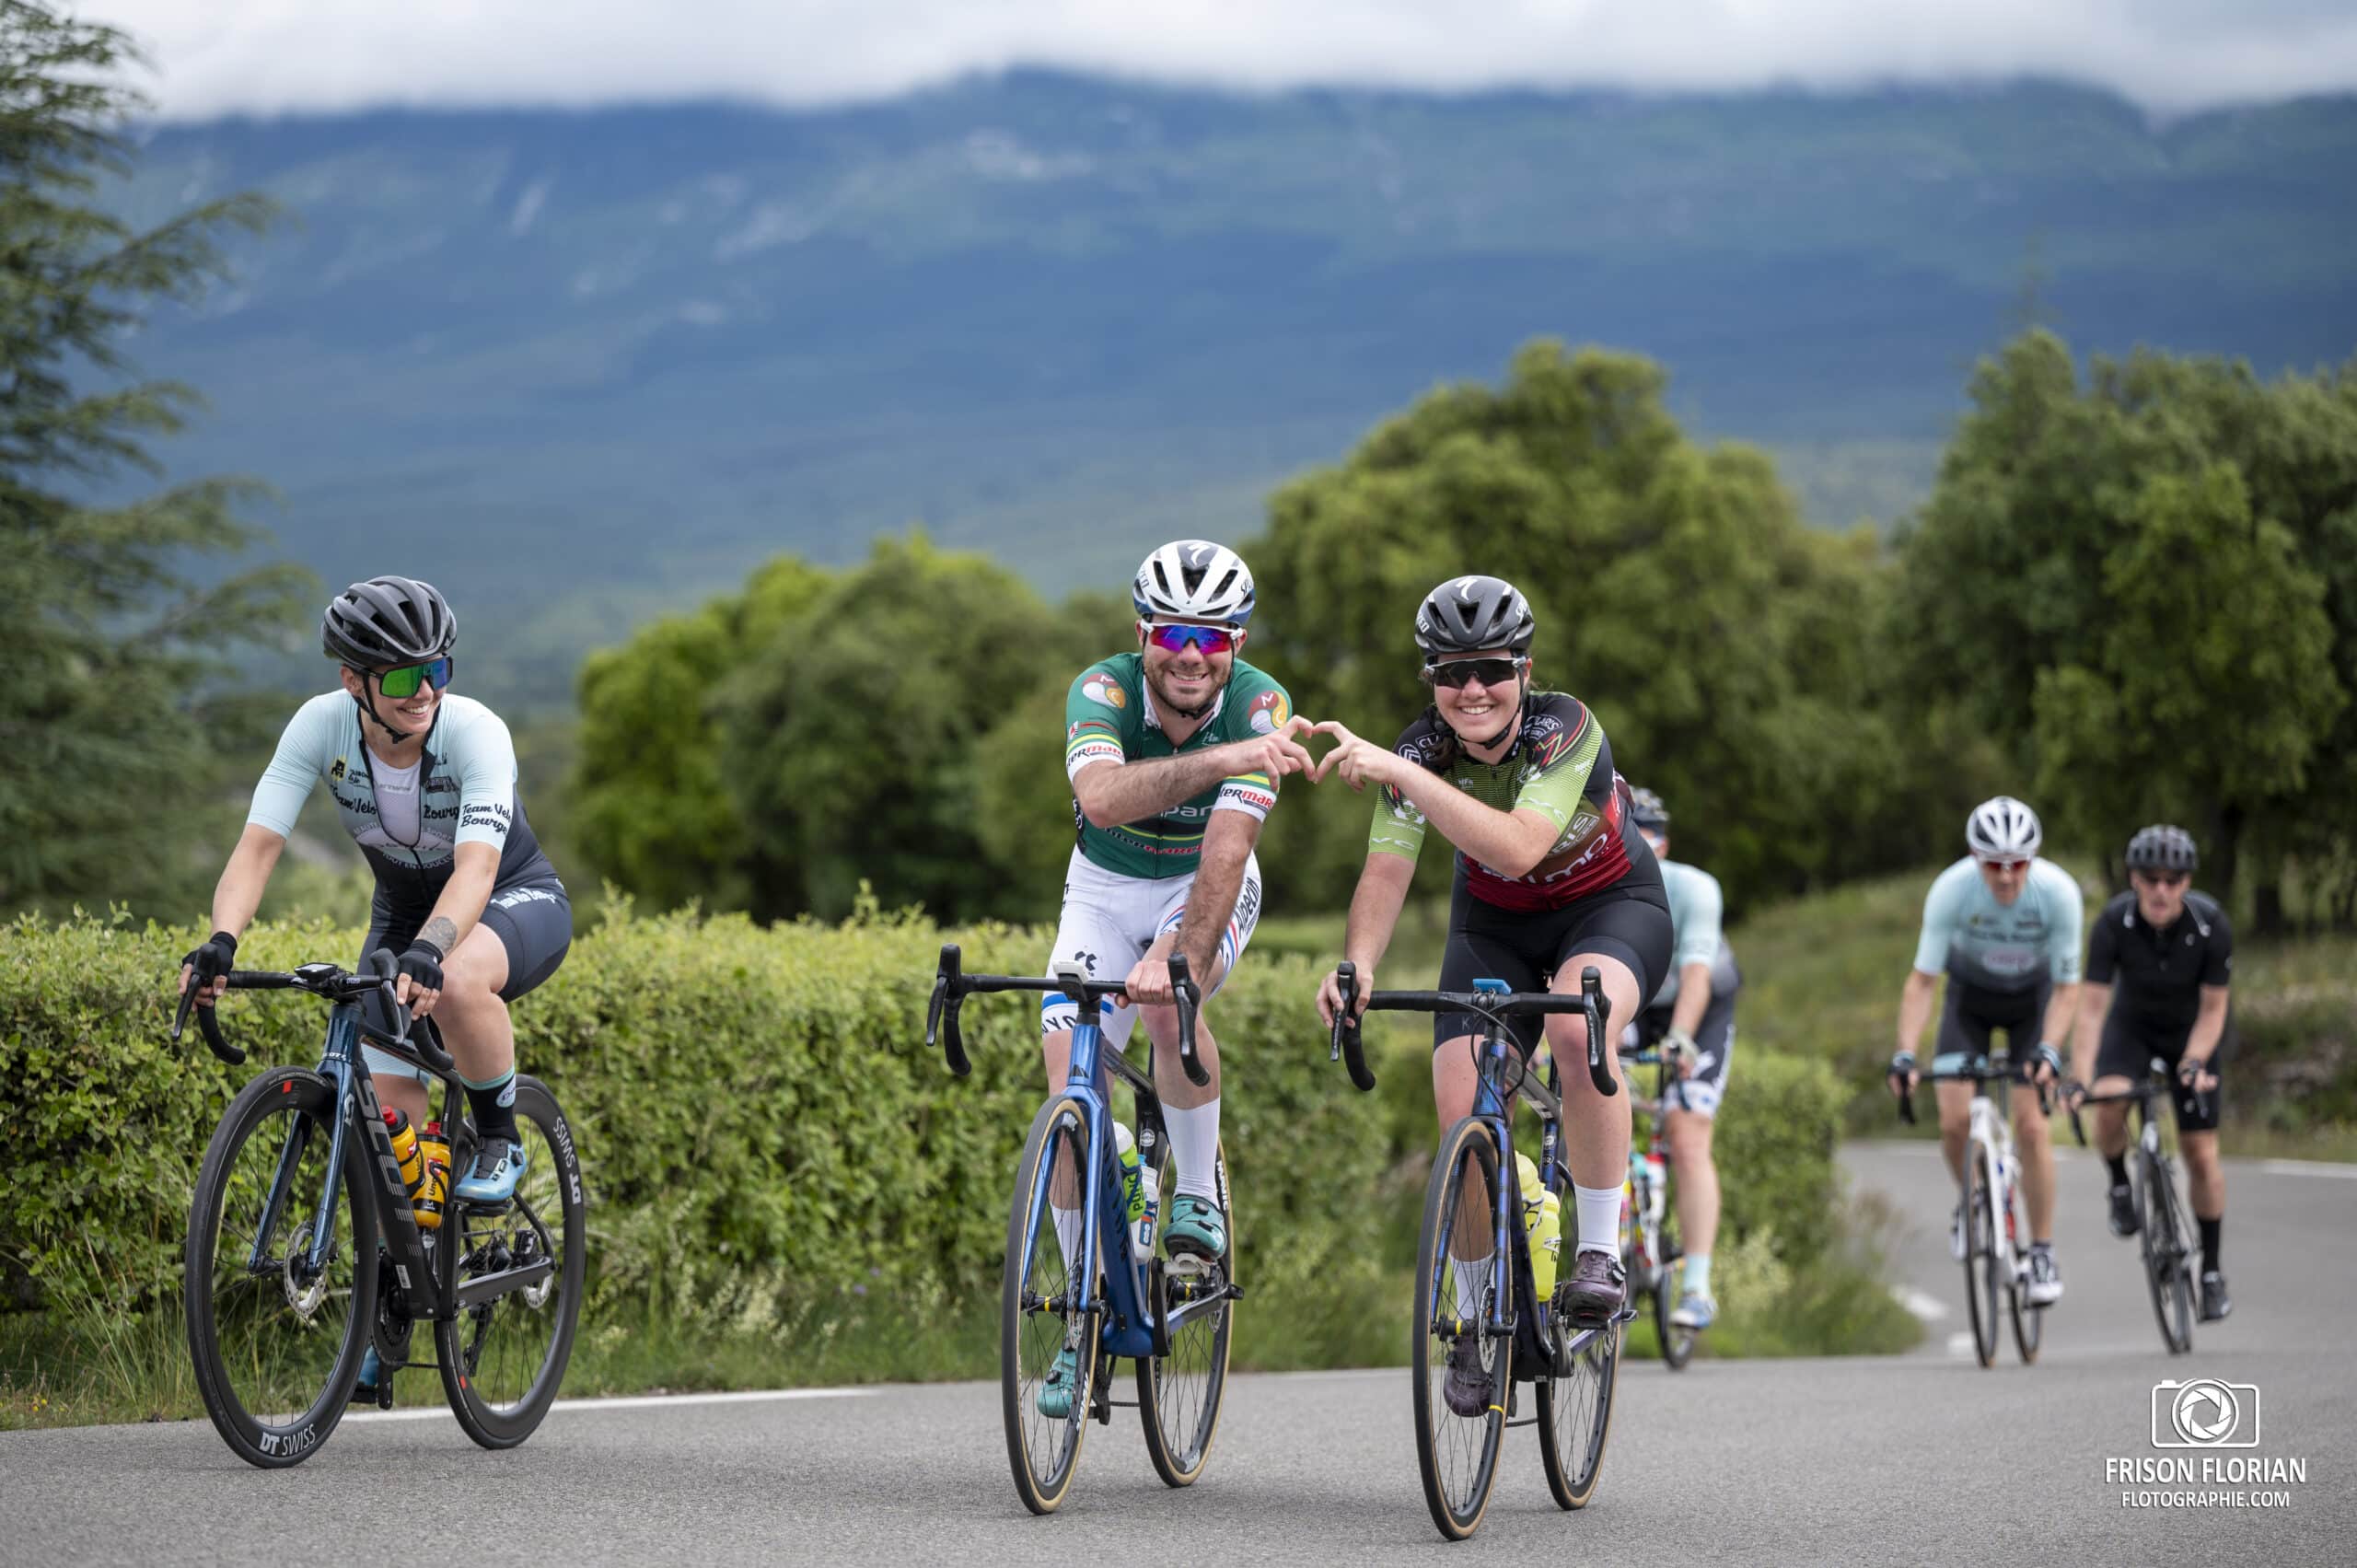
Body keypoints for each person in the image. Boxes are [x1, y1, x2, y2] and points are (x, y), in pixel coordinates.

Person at [177, 576, 572, 1398]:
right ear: (354, 681)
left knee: (460, 981)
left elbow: (478, 867)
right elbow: (257, 849)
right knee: (391, 1124)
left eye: (436, 670)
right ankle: (391, 1302)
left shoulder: (474, 731)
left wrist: (433, 948)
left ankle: (500, 1134)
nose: (423, 691)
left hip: (509, 899)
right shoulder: (319, 728)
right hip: (401, 914)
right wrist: (221, 941)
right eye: (399, 677)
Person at [1314, 575, 1671, 1417]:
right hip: (1498, 928)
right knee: (1458, 1098)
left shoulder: (1566, 727)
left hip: (1609, 908)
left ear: (1525, 668)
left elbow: (1516, 847)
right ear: (1431, 679)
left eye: (1490, 668)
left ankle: (1596, 1252)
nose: (1471, 689)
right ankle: (1476, 1313)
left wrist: (1405, 774)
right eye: (1449, 672)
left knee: (1581, 1033)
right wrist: (1357, 962)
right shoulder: (1417, 751)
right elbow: (1389, 869)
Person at [1035, 540, 1315, 1417]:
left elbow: (1228, 852)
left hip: (1206, 881)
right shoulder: (1103, 688)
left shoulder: (1264, 702)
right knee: (1066, 1082)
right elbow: (1105, 800)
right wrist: (1231, 757)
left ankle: (1195, 1193)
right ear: (1142, 632)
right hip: (1103, 889)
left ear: (1235, 642)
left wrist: (1176, 958)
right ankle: (1081, 1322)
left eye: (1213, 637)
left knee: (1167, 1014)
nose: (1192, 657)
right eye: (1174, 634)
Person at [1888, 796, 2081, 1304]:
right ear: (1976, 859)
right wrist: (1905, 1054)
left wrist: (2050, 1050)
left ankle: (2041, 1249)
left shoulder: (2059, 894)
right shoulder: (1951, 891)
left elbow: (2066, 989)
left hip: (2032, 1004)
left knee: (2033, 1125)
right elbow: (1923, 982)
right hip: (1969, 1001)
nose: (2006, 876)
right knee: (1952, 1120)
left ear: (2032, 860)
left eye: (2018, 864)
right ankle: (1972, 1201)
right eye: (1994, 864)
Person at [2067, 825, 2235, 1321]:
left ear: (2186, 882)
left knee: (2201, 1155)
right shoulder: (2113, 923)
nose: (2161, 890)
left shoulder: (2211, 925)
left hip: (2192, 1034)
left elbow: (2213, 1009)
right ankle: (2120, 1183)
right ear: (2134, 879)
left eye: (2173, 879)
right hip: (2131, 1029)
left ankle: (2211, 1271)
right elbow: (2093, 1010)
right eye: (2151, 878)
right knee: (2109, 1100)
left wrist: (2193, 1062)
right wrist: (2079, 1077)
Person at [1622, 786, 1738, 1331]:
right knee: (1593, 1096)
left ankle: (1696, 1285)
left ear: (1663, 847)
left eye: (1646, 841)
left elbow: (1696, 973)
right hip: (1635, 1001)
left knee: (1688, 1131)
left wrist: (1683, 1039)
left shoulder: (1694, 889)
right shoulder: (1593, 886)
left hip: (1699, 1007)